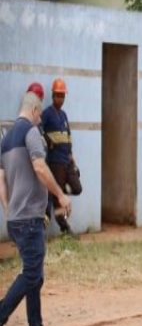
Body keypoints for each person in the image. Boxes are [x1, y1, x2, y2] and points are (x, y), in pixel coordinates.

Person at [0, 92, 72, 326]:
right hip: (30, 217)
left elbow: (1, 180)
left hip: (16, 218)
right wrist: (60, 195)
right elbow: (40, 167)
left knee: (34, 274)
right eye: (39, 113)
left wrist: (9, 209)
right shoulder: (30, 132)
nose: (40, 118)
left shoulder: (6, 138)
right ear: (33, 110)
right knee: (32, 273)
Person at [40, 78, 81, 237]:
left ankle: (59, 189)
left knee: (77, 188)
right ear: (52, 95)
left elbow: (68, 137)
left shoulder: (64, 115)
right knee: (57, 202)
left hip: (67, 161)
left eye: (62, 96)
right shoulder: (47, 113)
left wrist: (72, 157)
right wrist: (47, 141)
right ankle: (65, 230)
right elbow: (38, 129)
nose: (60, 99)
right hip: (55, 162)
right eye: (58, 95)